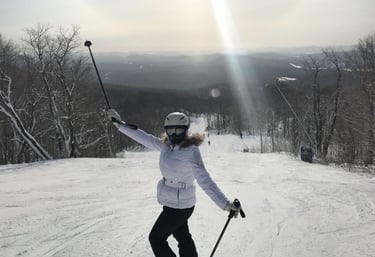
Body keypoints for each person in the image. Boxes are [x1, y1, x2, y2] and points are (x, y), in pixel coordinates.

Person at [106, 109, 240, 257]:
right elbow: (144, 138)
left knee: (156, 239)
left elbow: (205, 180)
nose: (174, 134)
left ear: (185, 130)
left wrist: (225, 204)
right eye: (170, 130)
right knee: (183, 238)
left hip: (181, 206)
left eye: (178, 130)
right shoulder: (166, 145)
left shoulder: (191, 151)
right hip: (171, 202)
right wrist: (120, 125)